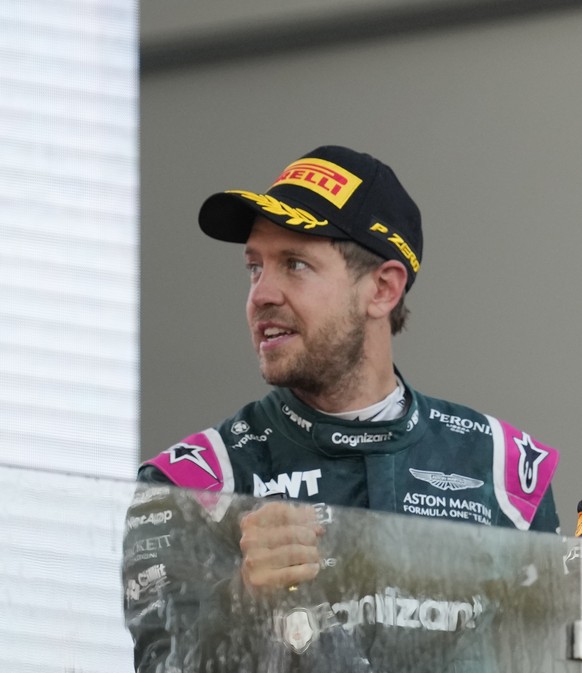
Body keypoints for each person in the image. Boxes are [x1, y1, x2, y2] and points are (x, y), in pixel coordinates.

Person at [123, 145, 561, 673]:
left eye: (296, 264)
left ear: (382, 288)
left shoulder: (506, 468)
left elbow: (552, 654)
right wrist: (241, 601)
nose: (261, 294)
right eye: (255, 267)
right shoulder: (193, 483)